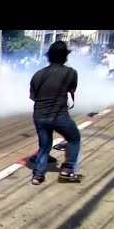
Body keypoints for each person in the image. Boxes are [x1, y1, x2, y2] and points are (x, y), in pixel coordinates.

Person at [29, 41, 80, 185]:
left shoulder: (38, 75)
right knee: (74, 138)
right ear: (65, 57)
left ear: (49, 57)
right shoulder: (70, 73)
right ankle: (67, 171)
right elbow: (72, 92)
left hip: (39, 115)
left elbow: (32, 97)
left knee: (44, 146)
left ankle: (37, 176)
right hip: (59, 115)